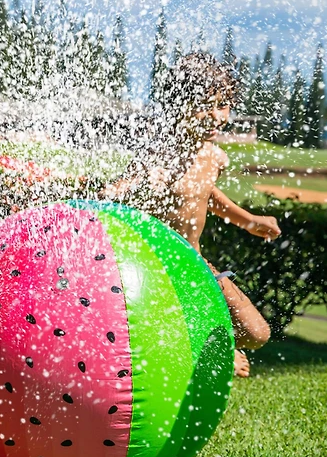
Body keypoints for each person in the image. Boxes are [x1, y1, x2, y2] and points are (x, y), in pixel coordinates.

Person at [104, 52, 281, 377]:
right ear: (178, 105)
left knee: (257, 333)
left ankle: (212, 347)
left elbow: (203, 193)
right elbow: (121, 190)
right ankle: (208, 353)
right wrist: (122, 188)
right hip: (150, 274)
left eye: (224, 104)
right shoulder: (157, 151)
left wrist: (248, 221)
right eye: (208, 105)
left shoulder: (213, 156)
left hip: (194, 265)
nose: (220, 116)